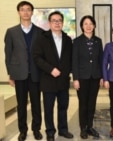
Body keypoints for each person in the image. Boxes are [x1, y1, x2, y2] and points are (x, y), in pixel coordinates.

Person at [4, 1, 43, 140]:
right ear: (18, 12)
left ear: (32, 12)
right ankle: (23, 131)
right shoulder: (11, 32)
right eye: (22, 10)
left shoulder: (40, 32)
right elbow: (8, 54)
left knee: (36, 104)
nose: (25, 12)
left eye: (28, 10)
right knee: (21, 104)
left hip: (36, 74)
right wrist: (10, 74)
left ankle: (36, 129)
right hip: (19, 74)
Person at [32, 11, 73, 141]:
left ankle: (63, 130)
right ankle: (50, 132)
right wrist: (50, 69)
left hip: (63, 81)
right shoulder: (42, 38)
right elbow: (37, 58)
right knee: (48, 109)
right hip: (48, 80)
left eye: (59, 20)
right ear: (49, 23)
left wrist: (68, 73)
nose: (57, 23)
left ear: (63, 22)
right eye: (54, 20)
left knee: (63, 107)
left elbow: (70, 59)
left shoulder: (67, 39)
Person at [72, 15, 103, 139]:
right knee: (83, 104)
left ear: (94, 25)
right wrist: (75, 79)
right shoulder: (77, 41)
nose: (88, 26)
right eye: (85, 24)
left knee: (92, 103)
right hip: (82, 78)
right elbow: (74, 61)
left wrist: (101, 76)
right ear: (82, 26)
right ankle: (83, 128)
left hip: (95, 77)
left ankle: (90, 126)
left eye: (91, 23)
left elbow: (101, 59)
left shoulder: (98, 41)